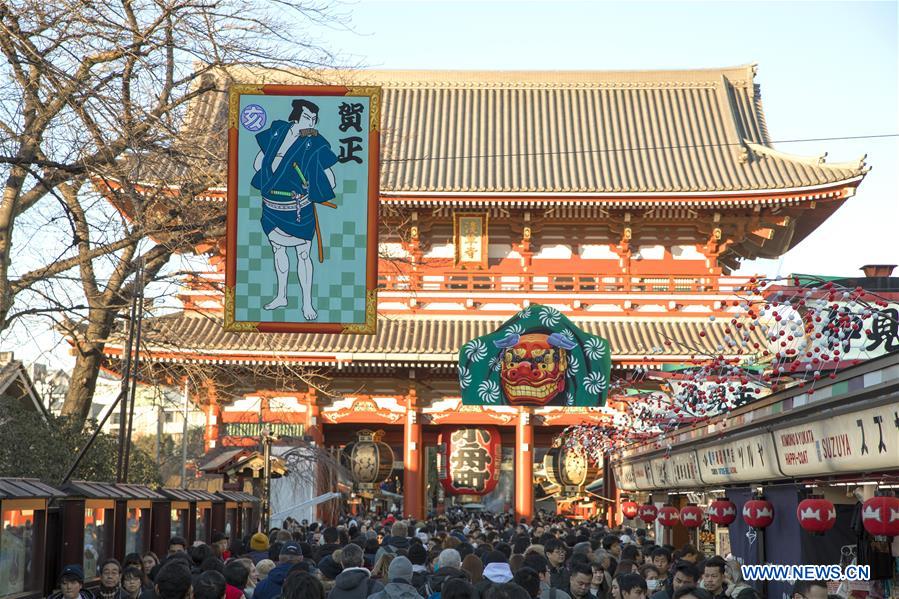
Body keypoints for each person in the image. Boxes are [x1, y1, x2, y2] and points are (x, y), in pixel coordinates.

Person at [249, 98, 339, 318]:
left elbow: (330, 178)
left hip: (298, 208)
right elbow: (258, 162)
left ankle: (307, 303)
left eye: (315, 119)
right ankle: (281, 295)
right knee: (277, 249)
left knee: (303, 254)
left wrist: (316, 185)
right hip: (271, 205)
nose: (313, 123)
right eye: (309, 118)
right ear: (296, 116)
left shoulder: (314, 142)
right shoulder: (277, 132)